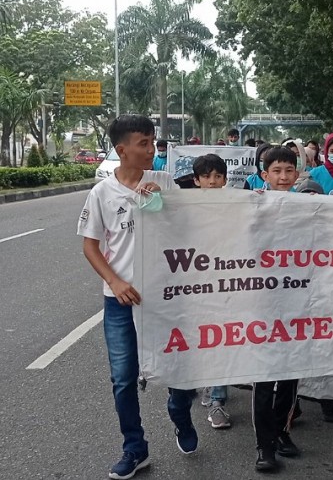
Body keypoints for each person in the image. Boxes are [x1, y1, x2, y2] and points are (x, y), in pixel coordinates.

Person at [77, 114, 178, 479]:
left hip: (168, 297)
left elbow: (195, 224)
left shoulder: (165, 181)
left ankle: (180, 410)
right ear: (122, 150)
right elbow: (90, 246)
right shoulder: (102, 193)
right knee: (123, 377)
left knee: (178, 366)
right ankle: (134, 447)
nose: (152, 150)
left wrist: (165, 204)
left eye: (153, 142)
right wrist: (115, 282)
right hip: (121, 301)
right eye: (143, 144)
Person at [170, 154, 234, 432]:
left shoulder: (236, 207)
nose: (212, 181)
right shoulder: (184, 210)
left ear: (225, 180)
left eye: (218, 176)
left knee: (221, 339)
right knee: (199, 340)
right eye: (206, 176)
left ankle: (217, 400)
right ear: (196, 180)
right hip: (195, 287)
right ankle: (199, 383)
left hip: (227, 286)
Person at [253, 146, 301, 472]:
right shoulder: (252, 207)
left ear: (297, 175)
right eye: (276, 171)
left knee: (290, 375)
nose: (283, 177)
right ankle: (264, 446)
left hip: (298, 303)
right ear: (264, 175)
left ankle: (282, 432)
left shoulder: (312, 207)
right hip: (261, 304)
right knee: (261, 375)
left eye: (288, 171)